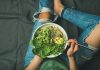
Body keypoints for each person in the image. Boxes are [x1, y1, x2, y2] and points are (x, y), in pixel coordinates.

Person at [24, 0, 100, 69]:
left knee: (45, 14)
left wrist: (38, 56)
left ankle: (55, 10)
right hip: (67, 63)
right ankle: (61, 10)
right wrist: (71, 57)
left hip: (36, 63)